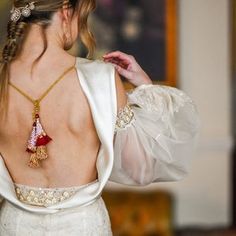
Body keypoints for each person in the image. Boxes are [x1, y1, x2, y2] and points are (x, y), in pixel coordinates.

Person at [0, 0, 200, 235]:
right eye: (81, 18)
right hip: (82, 226)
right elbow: (138, 167)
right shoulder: (99, 79)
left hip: (15, 226)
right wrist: (145, 85)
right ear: (66, 12)